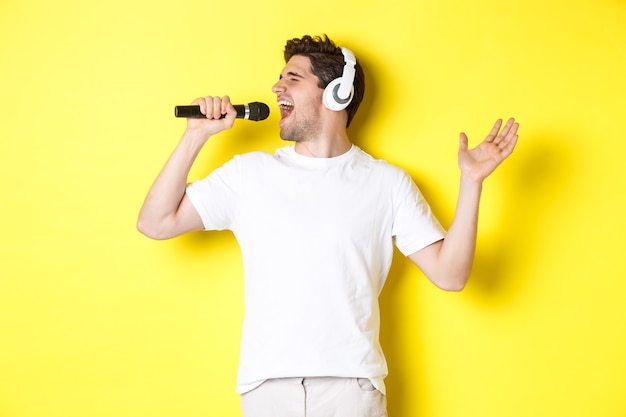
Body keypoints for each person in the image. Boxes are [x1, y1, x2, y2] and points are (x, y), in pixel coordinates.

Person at [137, 34, 519, 417]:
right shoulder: (248, 174)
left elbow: (450, 275)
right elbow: (155, 222)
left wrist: (471, 183)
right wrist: (196, 136)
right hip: (267, 389)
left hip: (351, 390)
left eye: (293, 78)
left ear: (337, 93)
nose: (276, 87)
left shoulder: (386, 183)